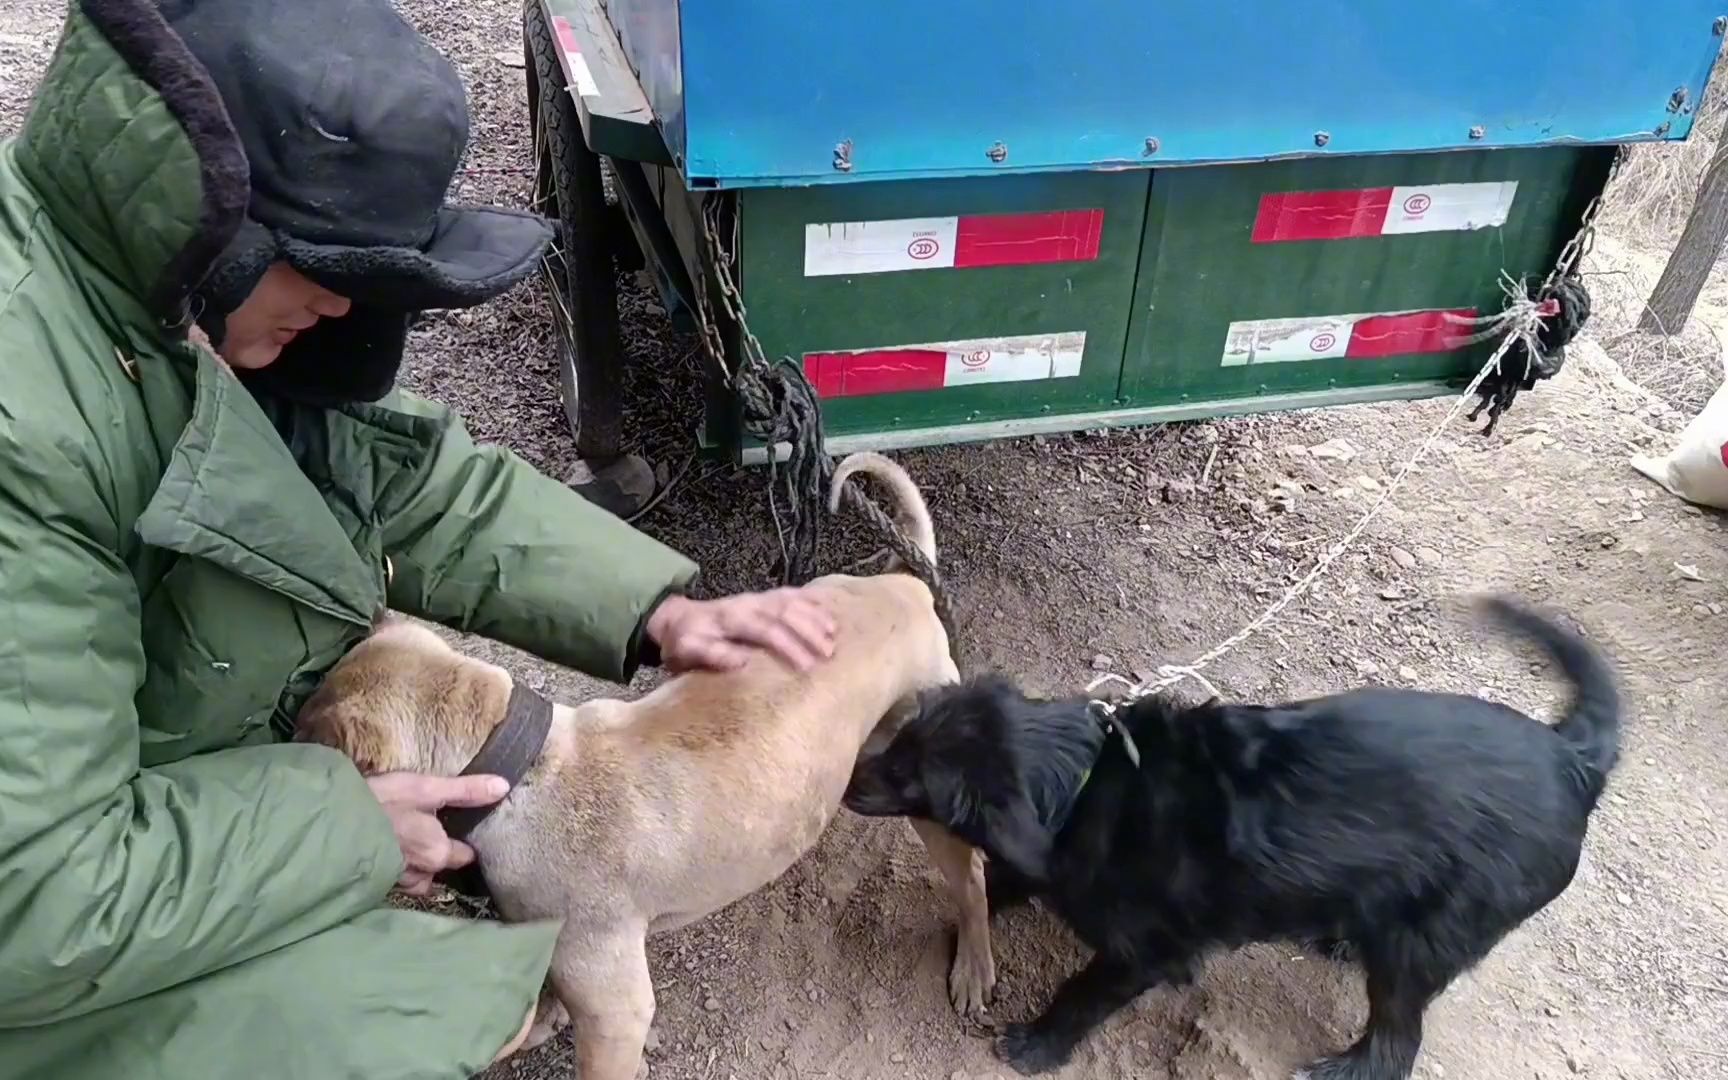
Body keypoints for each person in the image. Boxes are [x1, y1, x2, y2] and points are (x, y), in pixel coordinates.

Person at [0, 1, 835, 1076]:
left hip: (127, 790)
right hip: (43, 928)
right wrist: (346, 825)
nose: (350, 312)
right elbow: (37, 898)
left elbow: (407, 474)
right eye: (336, 272)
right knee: (408, 1013)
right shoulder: (30, 425)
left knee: (448, 989)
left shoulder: (159, 301)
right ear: (226, 226)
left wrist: (655, 609)